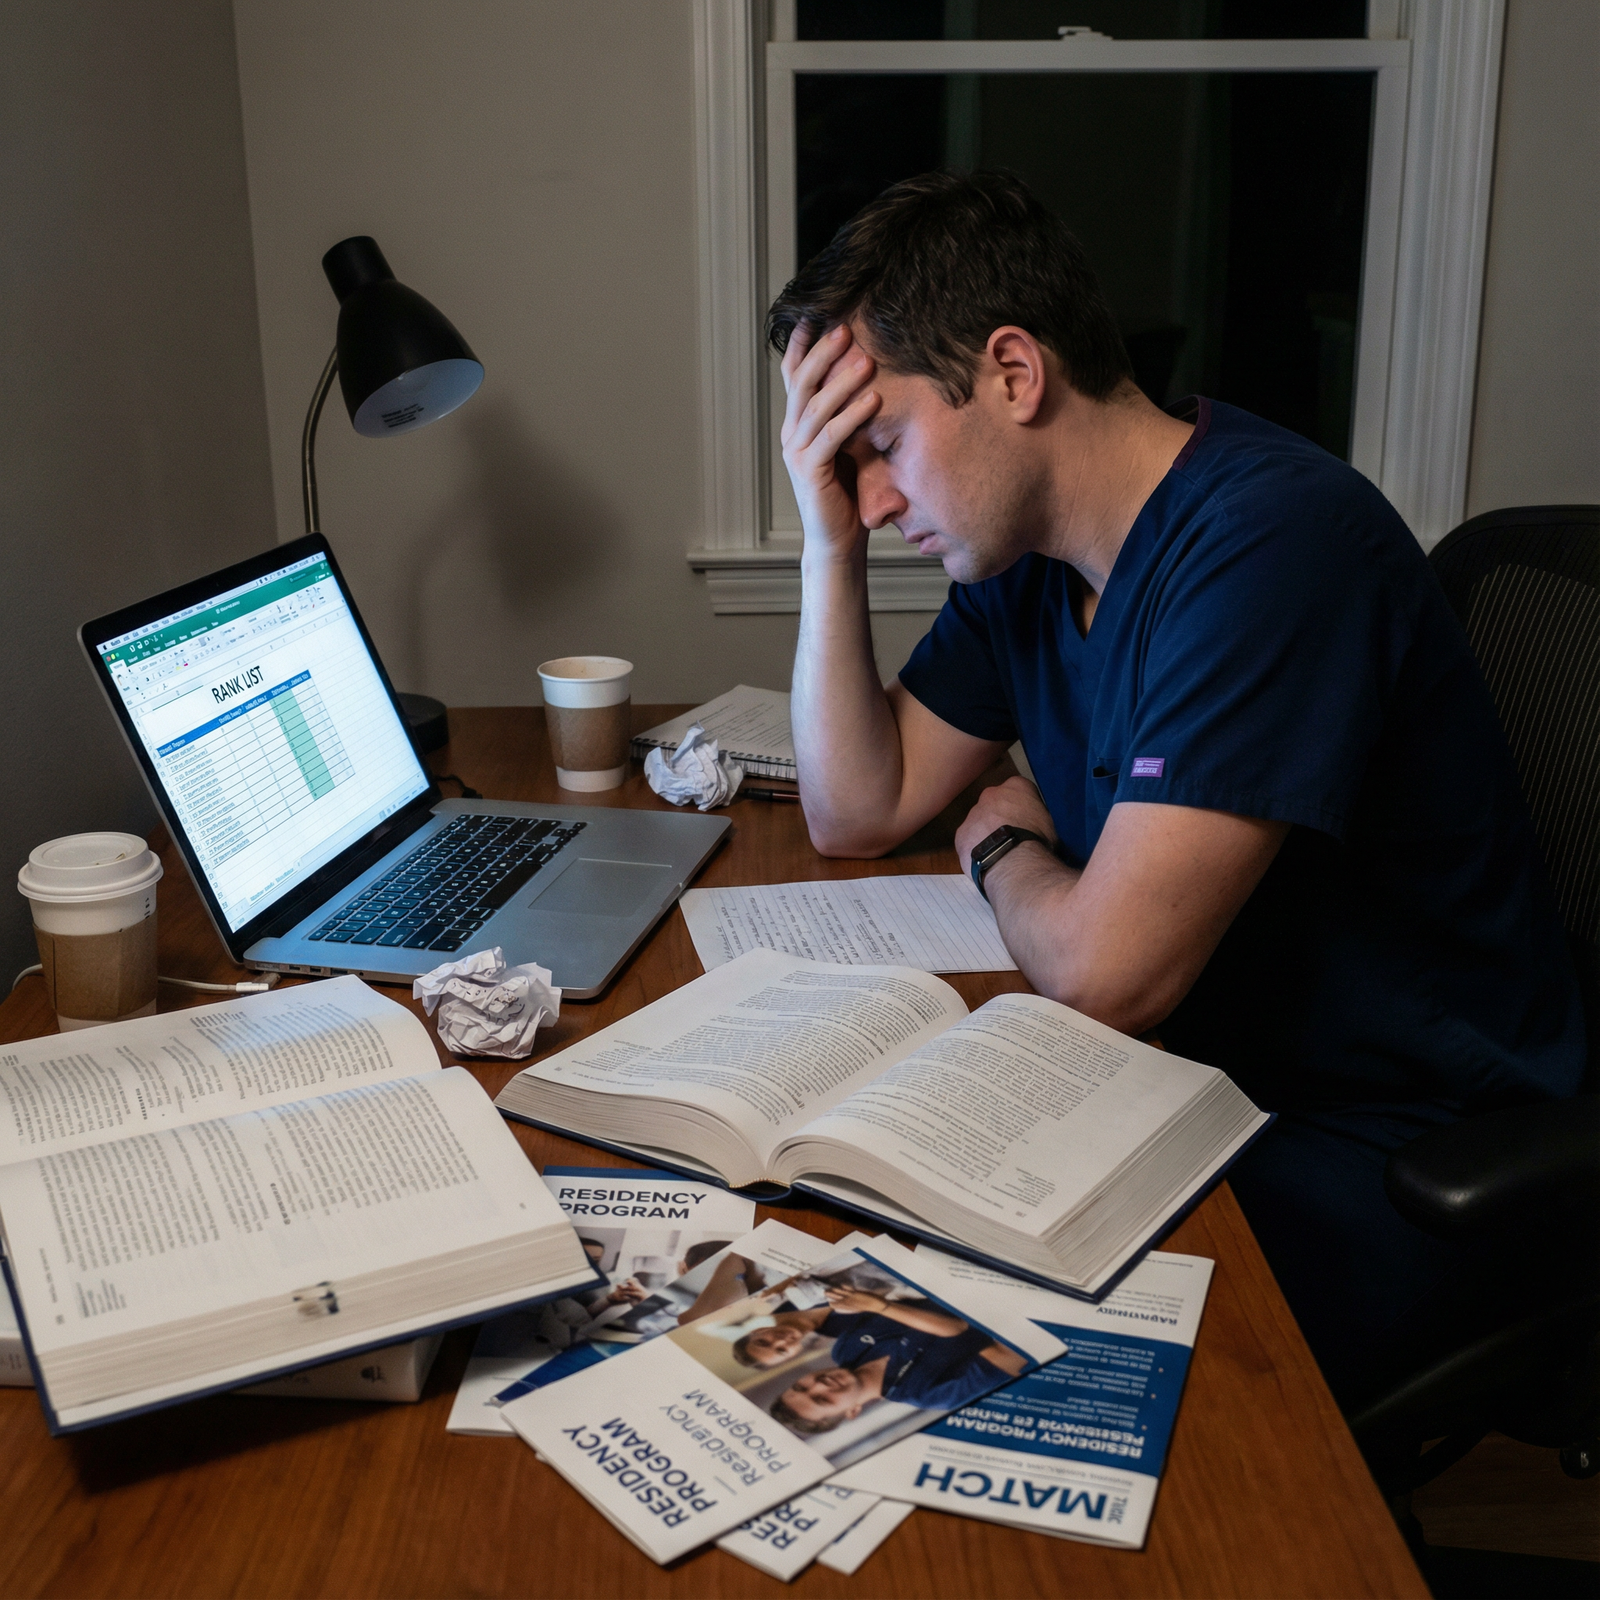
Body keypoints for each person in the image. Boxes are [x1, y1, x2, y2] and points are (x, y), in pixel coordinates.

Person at [765, 170, 1586, 1398]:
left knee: (941, 1364)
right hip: (1200, 1080)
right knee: (839, 1236)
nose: (874, 501)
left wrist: (1003, 849)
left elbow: (1108, 976)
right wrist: (825, 545)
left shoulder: (1272, 542)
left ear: (1012, 373)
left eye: (879, 447)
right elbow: (855, 811)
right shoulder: (1025, 559)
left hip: (1394, 1148)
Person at [762, 1287, 1026, 1435]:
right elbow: (1014, 1352)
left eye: (801, 1386)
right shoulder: (933, 1396)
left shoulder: (843, 1349)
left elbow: (903, 1295)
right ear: (852, 1412)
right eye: (822, 1399)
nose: (819, 1384)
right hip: (1014, 1299)